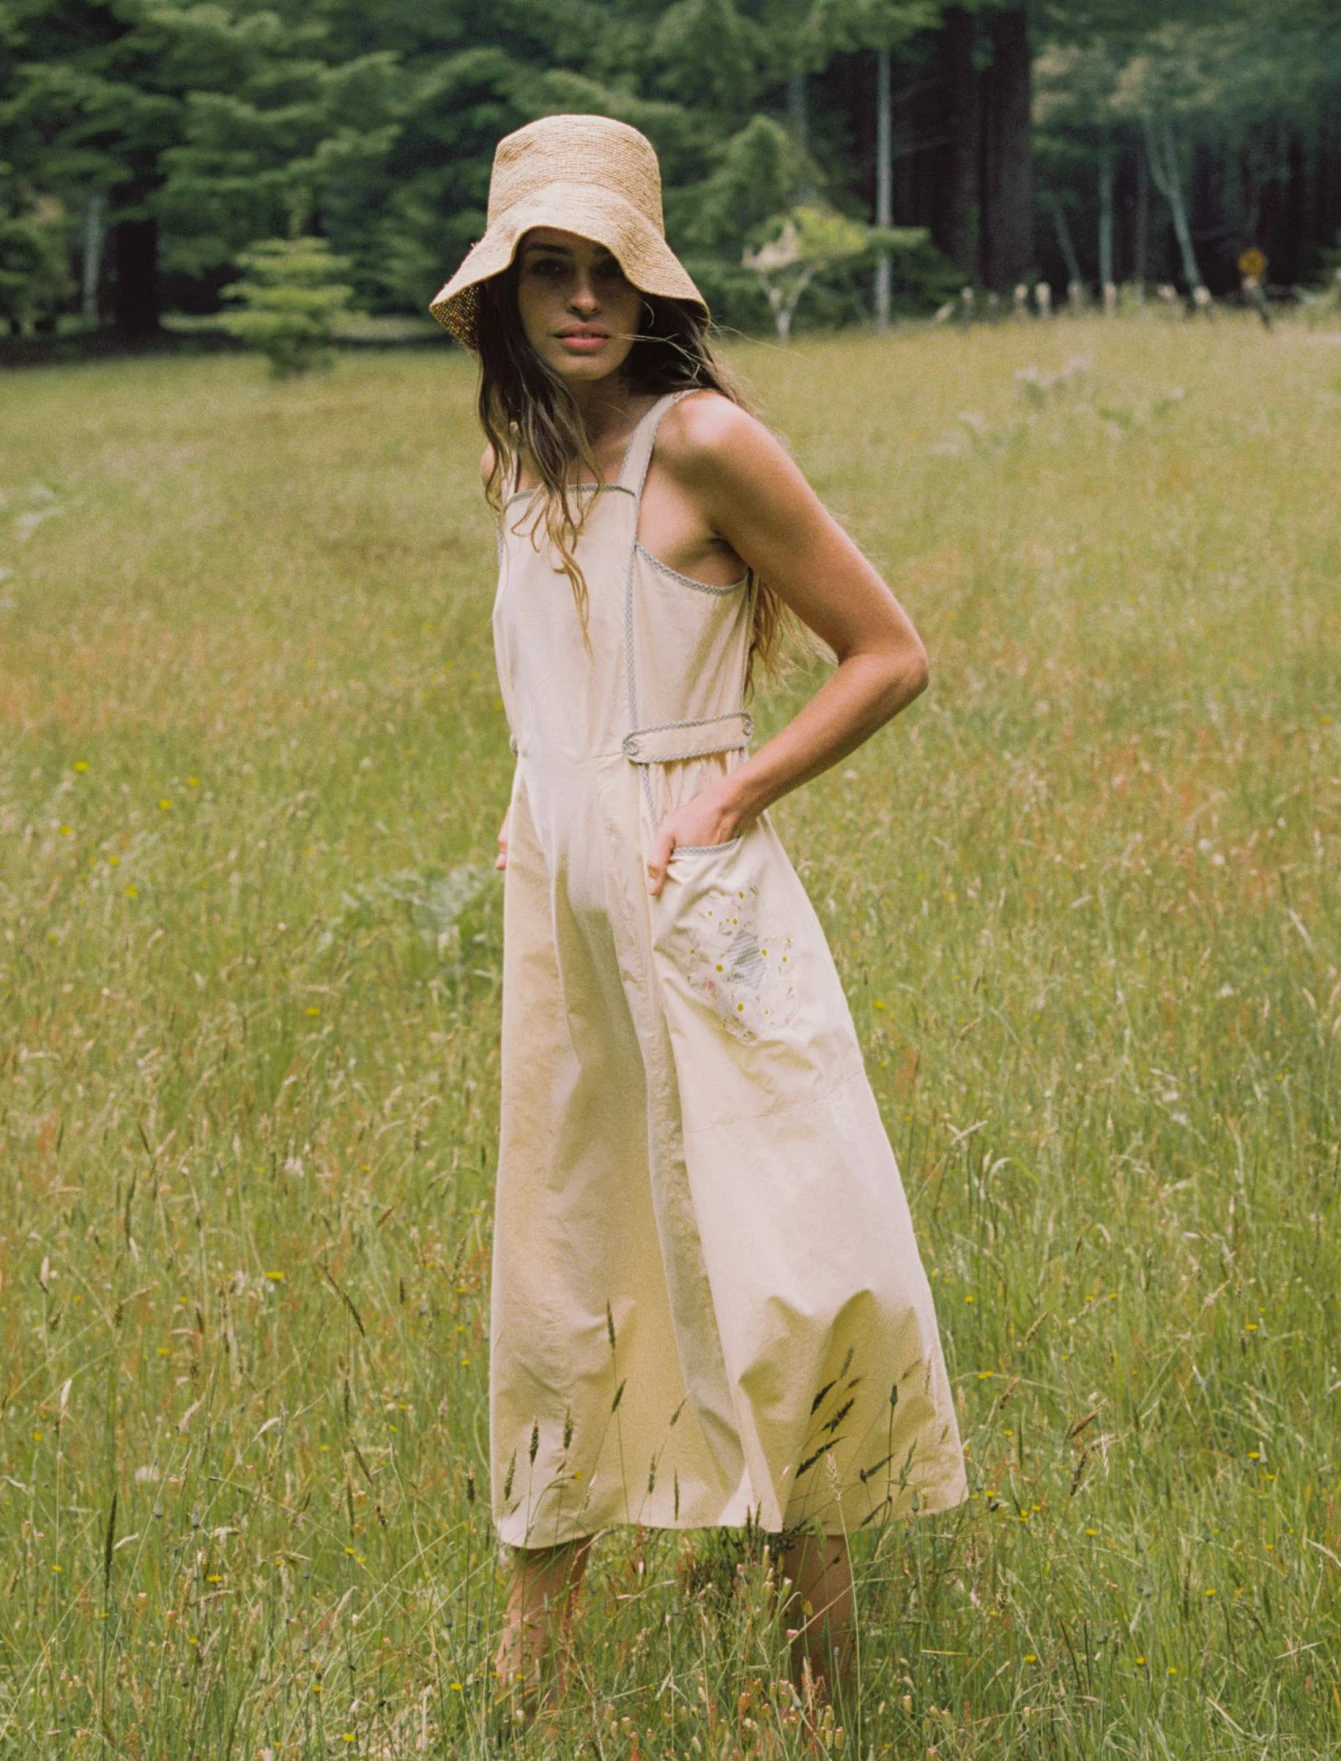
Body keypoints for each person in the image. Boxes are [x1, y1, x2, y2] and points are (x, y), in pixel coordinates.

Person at [429, 113, 967, 1725]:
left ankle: (823, 1685)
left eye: (608, 269)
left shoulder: (705, 443)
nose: (582, 300)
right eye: (550, 270)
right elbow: (554, 700)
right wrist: (541, 817)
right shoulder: (518, 460)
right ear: (507, 294)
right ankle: (529, 1679)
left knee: (772, 1259)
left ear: (652, 283)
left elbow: (890, 653)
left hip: (696, 895)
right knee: (568, 1250)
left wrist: (729, 798)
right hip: (563, 911)